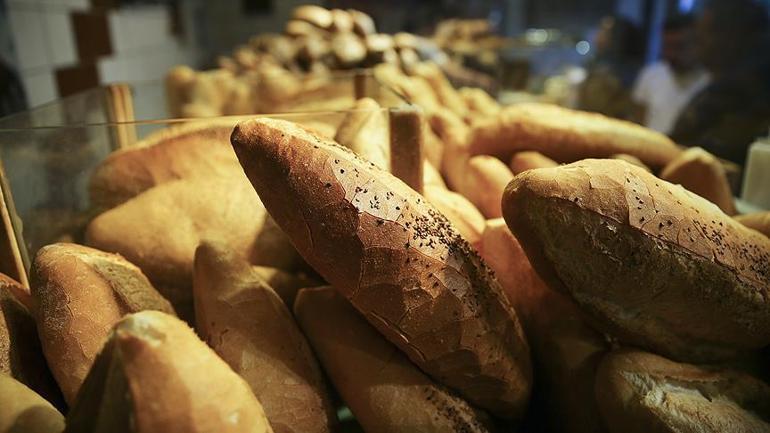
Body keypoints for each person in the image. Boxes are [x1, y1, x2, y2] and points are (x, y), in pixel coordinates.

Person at [670, 0, 770, 166]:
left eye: (708, 31)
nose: (698, 40)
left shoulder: (740, 100)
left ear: (731, 37)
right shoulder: (718, 91)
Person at [632, 14, 710, 134]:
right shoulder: (650, 75)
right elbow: (636, 123)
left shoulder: (709, 81)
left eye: (680, 46)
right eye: (667, 46)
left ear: (697, 44)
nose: (671, 54)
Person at [578, 16, 644, 120]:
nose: (597, 37)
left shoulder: (623, 77)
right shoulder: (599, 68)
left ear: (619, 38)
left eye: (605, 32)